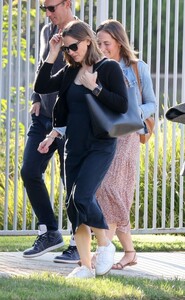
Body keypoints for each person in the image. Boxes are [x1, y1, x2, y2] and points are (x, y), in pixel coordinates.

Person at [35, 20, 128, 278]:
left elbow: (121, 104)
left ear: (88, 40)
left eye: (73, 46)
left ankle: (106, 245)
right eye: (66, 49)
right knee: (73, 207)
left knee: (82, 196)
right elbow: (41, 87)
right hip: (72, 146)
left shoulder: (108, 68)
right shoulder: (68, 71)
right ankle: (86, 266)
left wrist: (94, 87)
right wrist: (53, 53)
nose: (70, 52)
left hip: (100, 145)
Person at [21, 0, 80, 264]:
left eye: (52, 7)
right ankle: (50, 231)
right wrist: (36, 97)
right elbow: (44, 65)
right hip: (43, 117)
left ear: (67, 3)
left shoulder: (82, 33)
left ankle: (78, 243)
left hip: (69, 122)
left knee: (72, 184)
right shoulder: (48, 31)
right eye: (45, 8)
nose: (48, 13)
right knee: (29, 170)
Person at [96, 19, 156, 270]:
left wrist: (131, 112)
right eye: (98, 43)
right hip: (105, 135)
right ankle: (129, 252)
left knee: (110, 188)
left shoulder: (136, 67)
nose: (102, 48)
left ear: (119, 42)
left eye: (106, 43)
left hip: (129, 135)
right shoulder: (98, 67)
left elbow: (152, 105)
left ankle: (102, 254)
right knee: (108, 191)